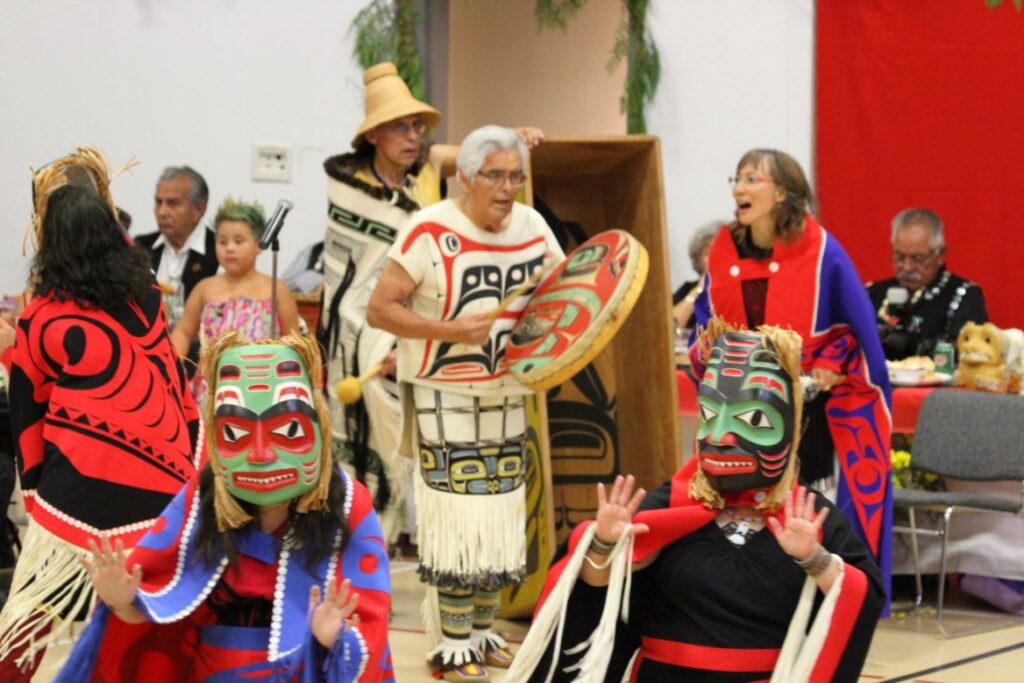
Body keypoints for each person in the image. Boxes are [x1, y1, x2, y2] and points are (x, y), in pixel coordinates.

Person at [509, 324, 885, 682]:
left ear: (791, 423)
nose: (719, 436)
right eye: (708, 415)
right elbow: (594, 601)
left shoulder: (807, 513)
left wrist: (813, 559)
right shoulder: (668, 506)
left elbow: (860, 599)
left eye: (751, 418)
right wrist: (605, 544)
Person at [55, 333, 393, 681]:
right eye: (235, 433)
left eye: (288, 430)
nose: (261, 455)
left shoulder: (347, 502)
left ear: (318, 424)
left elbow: (366, 626)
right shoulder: (202, 500)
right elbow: (156, 610)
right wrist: (122, 599)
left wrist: (334, 638)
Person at [366, 125, 564, 682]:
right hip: (442, 389)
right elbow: (381, 309)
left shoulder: (532, 226)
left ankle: (480, 632)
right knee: (460, 514)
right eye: (495, 176)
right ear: (466, 179)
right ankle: (452, 644)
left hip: (508, 389)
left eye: (515, 176)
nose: (507, 188)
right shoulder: (428, 229)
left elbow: (566, 290)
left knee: (500, 514)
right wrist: (448, 328)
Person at [321, 61, 543, 545]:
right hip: (360, 330)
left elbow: (468, 153)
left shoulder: (427, 170)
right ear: (375, 134)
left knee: (426, 427)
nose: (413, 136)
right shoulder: (346, 186)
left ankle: (413, 533)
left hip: (422, 321)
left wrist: (512, 137)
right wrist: (376, 346)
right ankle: (366, 538)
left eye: (418, 126)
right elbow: (352, 286)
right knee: (371, 421)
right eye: (400, 127)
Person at [0, 148, 199, 680]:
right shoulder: (147, 296)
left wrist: (41, 498)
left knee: (29, 621)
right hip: (167, 488)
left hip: (77, 493)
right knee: (151, 621)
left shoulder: (40, 317)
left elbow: (27, 416)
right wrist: (191, 477)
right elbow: (176, 388)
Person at [688, 149, 893, 599]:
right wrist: (707, 352)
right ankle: (748, 586)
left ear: (781, 192)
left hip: (812, 407)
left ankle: (831, 588)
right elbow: (706, 323)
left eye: (751, 179)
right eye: (736, 178)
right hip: (745, 404)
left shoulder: (821, 249)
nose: (738, 188)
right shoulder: (724, 248)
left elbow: (857, 330)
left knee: (810, 496)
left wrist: (832, 363)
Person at [171, 197, 300, 404]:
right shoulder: (205, 288)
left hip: (263, 386)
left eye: (239, 241)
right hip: (210, 389)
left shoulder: (276, 289)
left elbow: (294, 341)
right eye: (222, 242)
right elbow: (184, 331)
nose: (229, 248)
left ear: (260, 245)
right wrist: (172, 363)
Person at [866, 208, 988, 360]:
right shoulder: (872, 294)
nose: (907, 267)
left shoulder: (966, 296)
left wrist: (916, 347)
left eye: (918, 259)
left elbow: (971, 354)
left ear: (941, 254)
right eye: (899, 257)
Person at [135, 166, 219, 328]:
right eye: (158, 202)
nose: (162, 212)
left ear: (199, 209)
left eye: (172, 204)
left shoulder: (218, 251)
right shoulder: (141, 246)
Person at [672, 220, 723, 332]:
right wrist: (698, 290)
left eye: (720, 251)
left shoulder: (743, 288)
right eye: (707, 253)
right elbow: (671, 328)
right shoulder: (688, 289)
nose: (714, 258)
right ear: (698, 260)